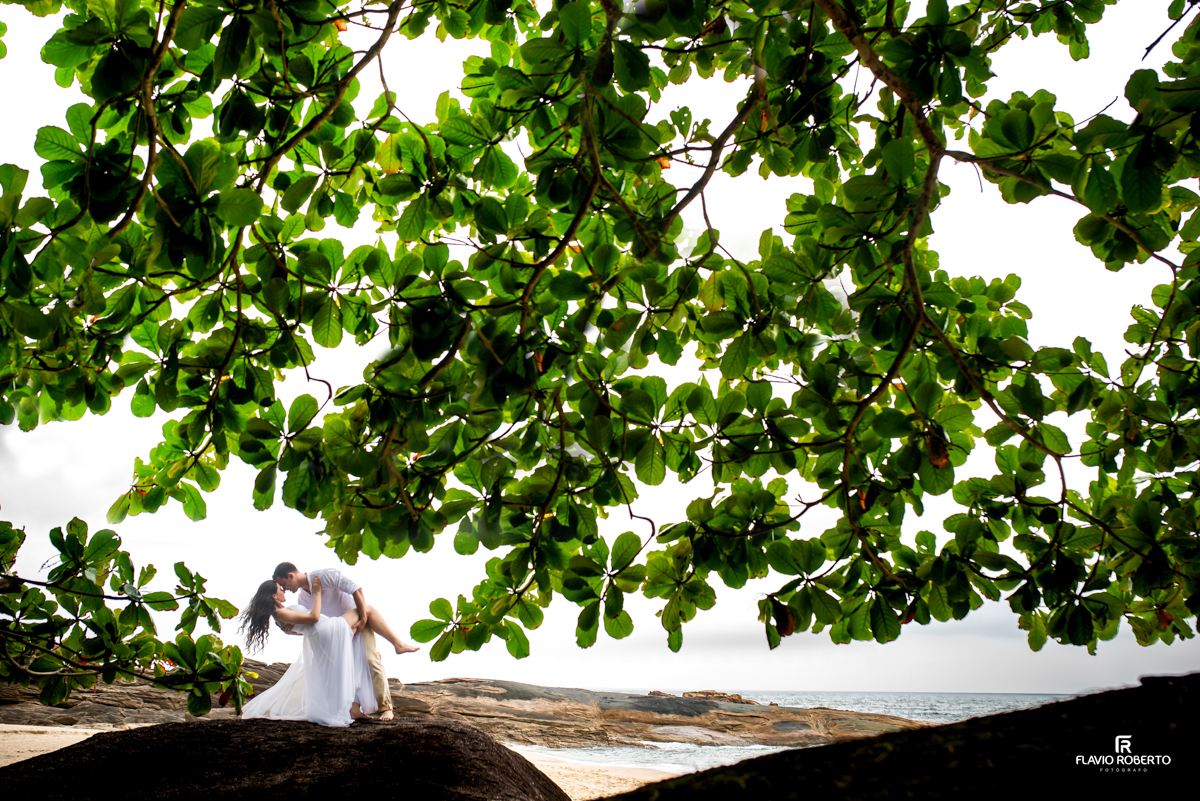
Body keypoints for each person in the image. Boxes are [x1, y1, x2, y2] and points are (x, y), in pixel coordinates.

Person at [272, 562, 419, 722]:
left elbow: (356, 589)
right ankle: (353, 709)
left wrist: (363, 619)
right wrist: (292, 631)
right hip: (338, 634)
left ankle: (386, 707)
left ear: (291, 576)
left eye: (284, 584)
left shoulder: (322, 576)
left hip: (357, 623)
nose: (284, 589)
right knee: (347, 670)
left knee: (371, 659)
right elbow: (313, 626)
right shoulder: (302, 599)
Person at [238, 575, 374, 727]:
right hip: (327, 629)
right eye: (280, 588)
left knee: (332, 673)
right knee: (367, 610)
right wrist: (317, 592)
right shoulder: (280, 614)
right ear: (274, 596)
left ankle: (345, 707)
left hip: (322, 634)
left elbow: (300, 627)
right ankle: (397, 643)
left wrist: (290, 630)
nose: (284, 591)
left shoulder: (281, 612)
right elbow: (314, 617)